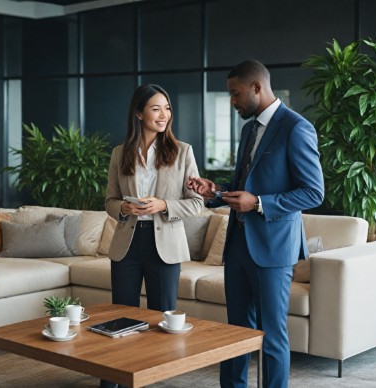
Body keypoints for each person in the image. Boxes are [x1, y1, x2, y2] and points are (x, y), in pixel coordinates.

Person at [187, 60, 324, 388]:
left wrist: (261, 204)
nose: (232, 101)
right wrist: (216, 192)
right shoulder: (249, 129)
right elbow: (246, 187)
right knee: (235, 332)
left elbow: (313, 191)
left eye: (235, 94)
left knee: (273, 334)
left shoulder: (296, 127)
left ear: (257, 88)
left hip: (274, 249)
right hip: (236, 247)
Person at [106, 84, 204, 313]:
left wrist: (163, 205)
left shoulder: (182, 152)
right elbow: (110, 201)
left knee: (162, 315)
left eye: (167, 109)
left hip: (165, 245)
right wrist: (124, 207)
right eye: (156, 109)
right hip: (126, 244)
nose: (164, 115)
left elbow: (197, 202)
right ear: (139, 114)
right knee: (122, 315)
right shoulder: (120, 154)